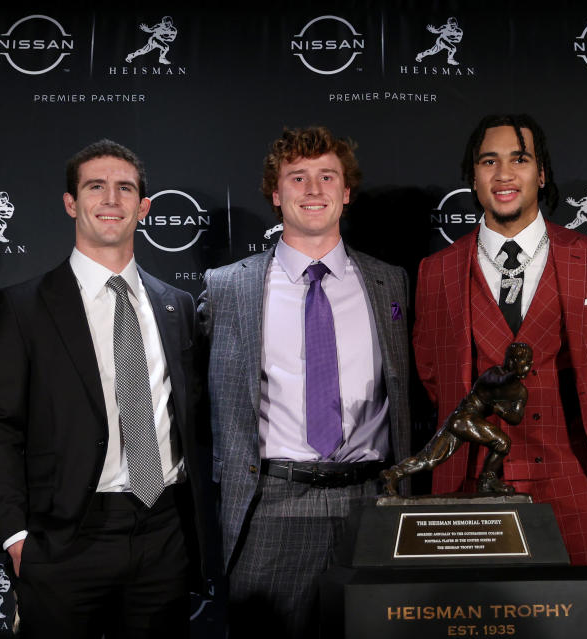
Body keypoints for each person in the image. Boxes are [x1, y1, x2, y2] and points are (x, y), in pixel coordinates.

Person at [0, 139, 209, 638]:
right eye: (95, 187)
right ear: (70, 203)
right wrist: (14, 534)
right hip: (65, 536)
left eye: (125, 188)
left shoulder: (178, 305)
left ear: (143, 207)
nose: (111, 199)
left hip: (162, 530)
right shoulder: (23, 307)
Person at [199, 126, 411, 638]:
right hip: (272, 503)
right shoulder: (227, 287)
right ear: (276, 193)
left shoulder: (391, 281)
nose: (313, 189)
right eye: (298, 177)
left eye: (327, 176)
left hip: (372, 502)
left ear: (346, 191)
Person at [413, 113, 587, 571]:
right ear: (473, 178)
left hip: (578, 485)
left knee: (582, 624)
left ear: (541, 174)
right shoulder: (434, 271)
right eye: (488, 161)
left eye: (518, 159)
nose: (503, 175)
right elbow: (432, 379)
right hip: (472, 489)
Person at [382, 342, 533, 496]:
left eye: (528, 363)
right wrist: (514, 374)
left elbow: (516, 418)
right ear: (510, 360)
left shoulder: (521, 392)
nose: (526, 366)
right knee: (501, 442)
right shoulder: (494, 373)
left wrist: (500, 411)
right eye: (520, 361)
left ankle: (394, 474)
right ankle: (487, 480)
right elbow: (500, 383)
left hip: (466, 422)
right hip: (464, 417)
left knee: (431, 459)